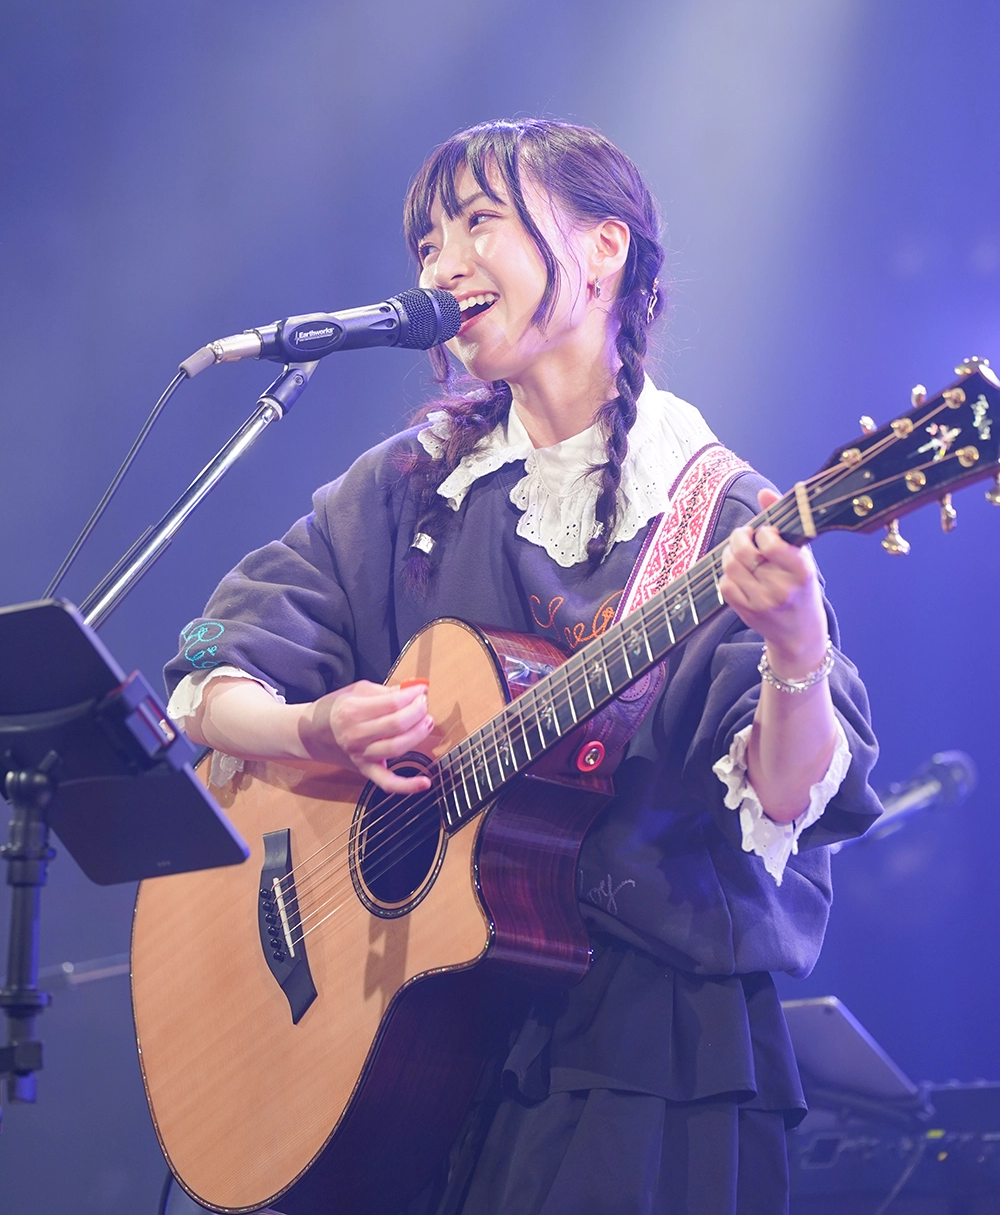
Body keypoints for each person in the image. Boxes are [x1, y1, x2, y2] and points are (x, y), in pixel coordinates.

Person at [164, 119, 879, 1215]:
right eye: (426, 243)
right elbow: (210, 666)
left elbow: (786, 800)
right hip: (410, 1045)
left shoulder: (717, 514)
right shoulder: (412, 485)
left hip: (635, 1067)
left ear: (604, 249)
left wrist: (795, 645)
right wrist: (310, 729)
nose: (441, 265)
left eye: (478, 223)